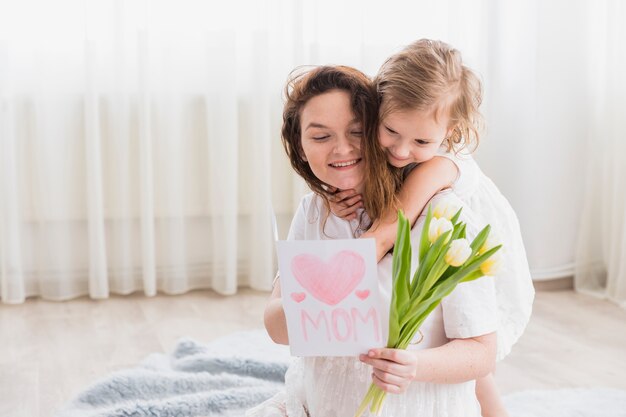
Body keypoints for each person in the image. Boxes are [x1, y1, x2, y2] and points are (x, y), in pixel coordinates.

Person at [247, 65, 498, 417]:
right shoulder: (316, 211)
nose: (342, 148)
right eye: (320, 137)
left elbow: (482, 352)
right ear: (300, 148)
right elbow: (277, 325)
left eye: (358, 131)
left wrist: (414, 365)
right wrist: (316, 301)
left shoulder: (443, 216)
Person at [330, 39, 535, 417]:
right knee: (437, 336)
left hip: (472, 257)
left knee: (470, 359)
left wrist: (360, 254)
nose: (402, 150)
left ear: (451, 132)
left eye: (422, 141)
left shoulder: (442, 165)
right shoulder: (388, 142)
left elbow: (394, 222)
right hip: (426, 255)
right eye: (391, 131)